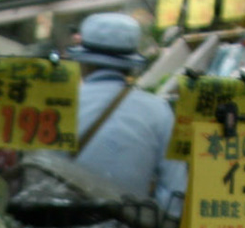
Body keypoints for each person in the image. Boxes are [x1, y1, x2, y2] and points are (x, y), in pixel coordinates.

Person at [65, 12, 187, 214]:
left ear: (83, 62)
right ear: (131, 66)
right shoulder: (158, 111)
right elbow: (175, 195)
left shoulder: (62, 105)